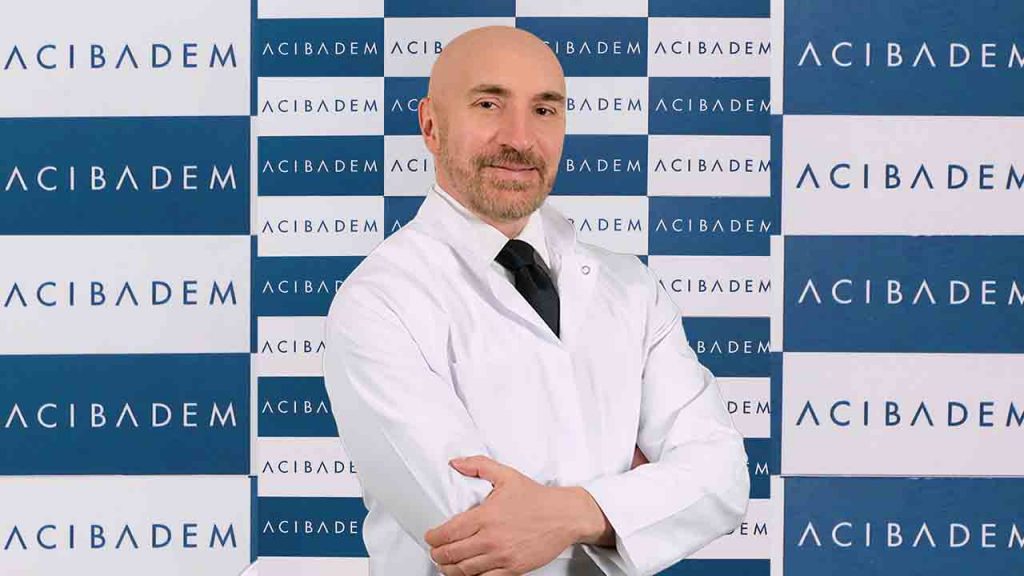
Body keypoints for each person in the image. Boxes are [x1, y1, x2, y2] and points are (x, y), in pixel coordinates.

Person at [322, 25, 750, 576]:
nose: (520, 138)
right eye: (488, 104)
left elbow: (722, 478)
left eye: (544, 110)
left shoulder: (631, 287)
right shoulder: (379, 302)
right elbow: (477, 533)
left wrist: (574, 511)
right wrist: (638, 499)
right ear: (431, 125)